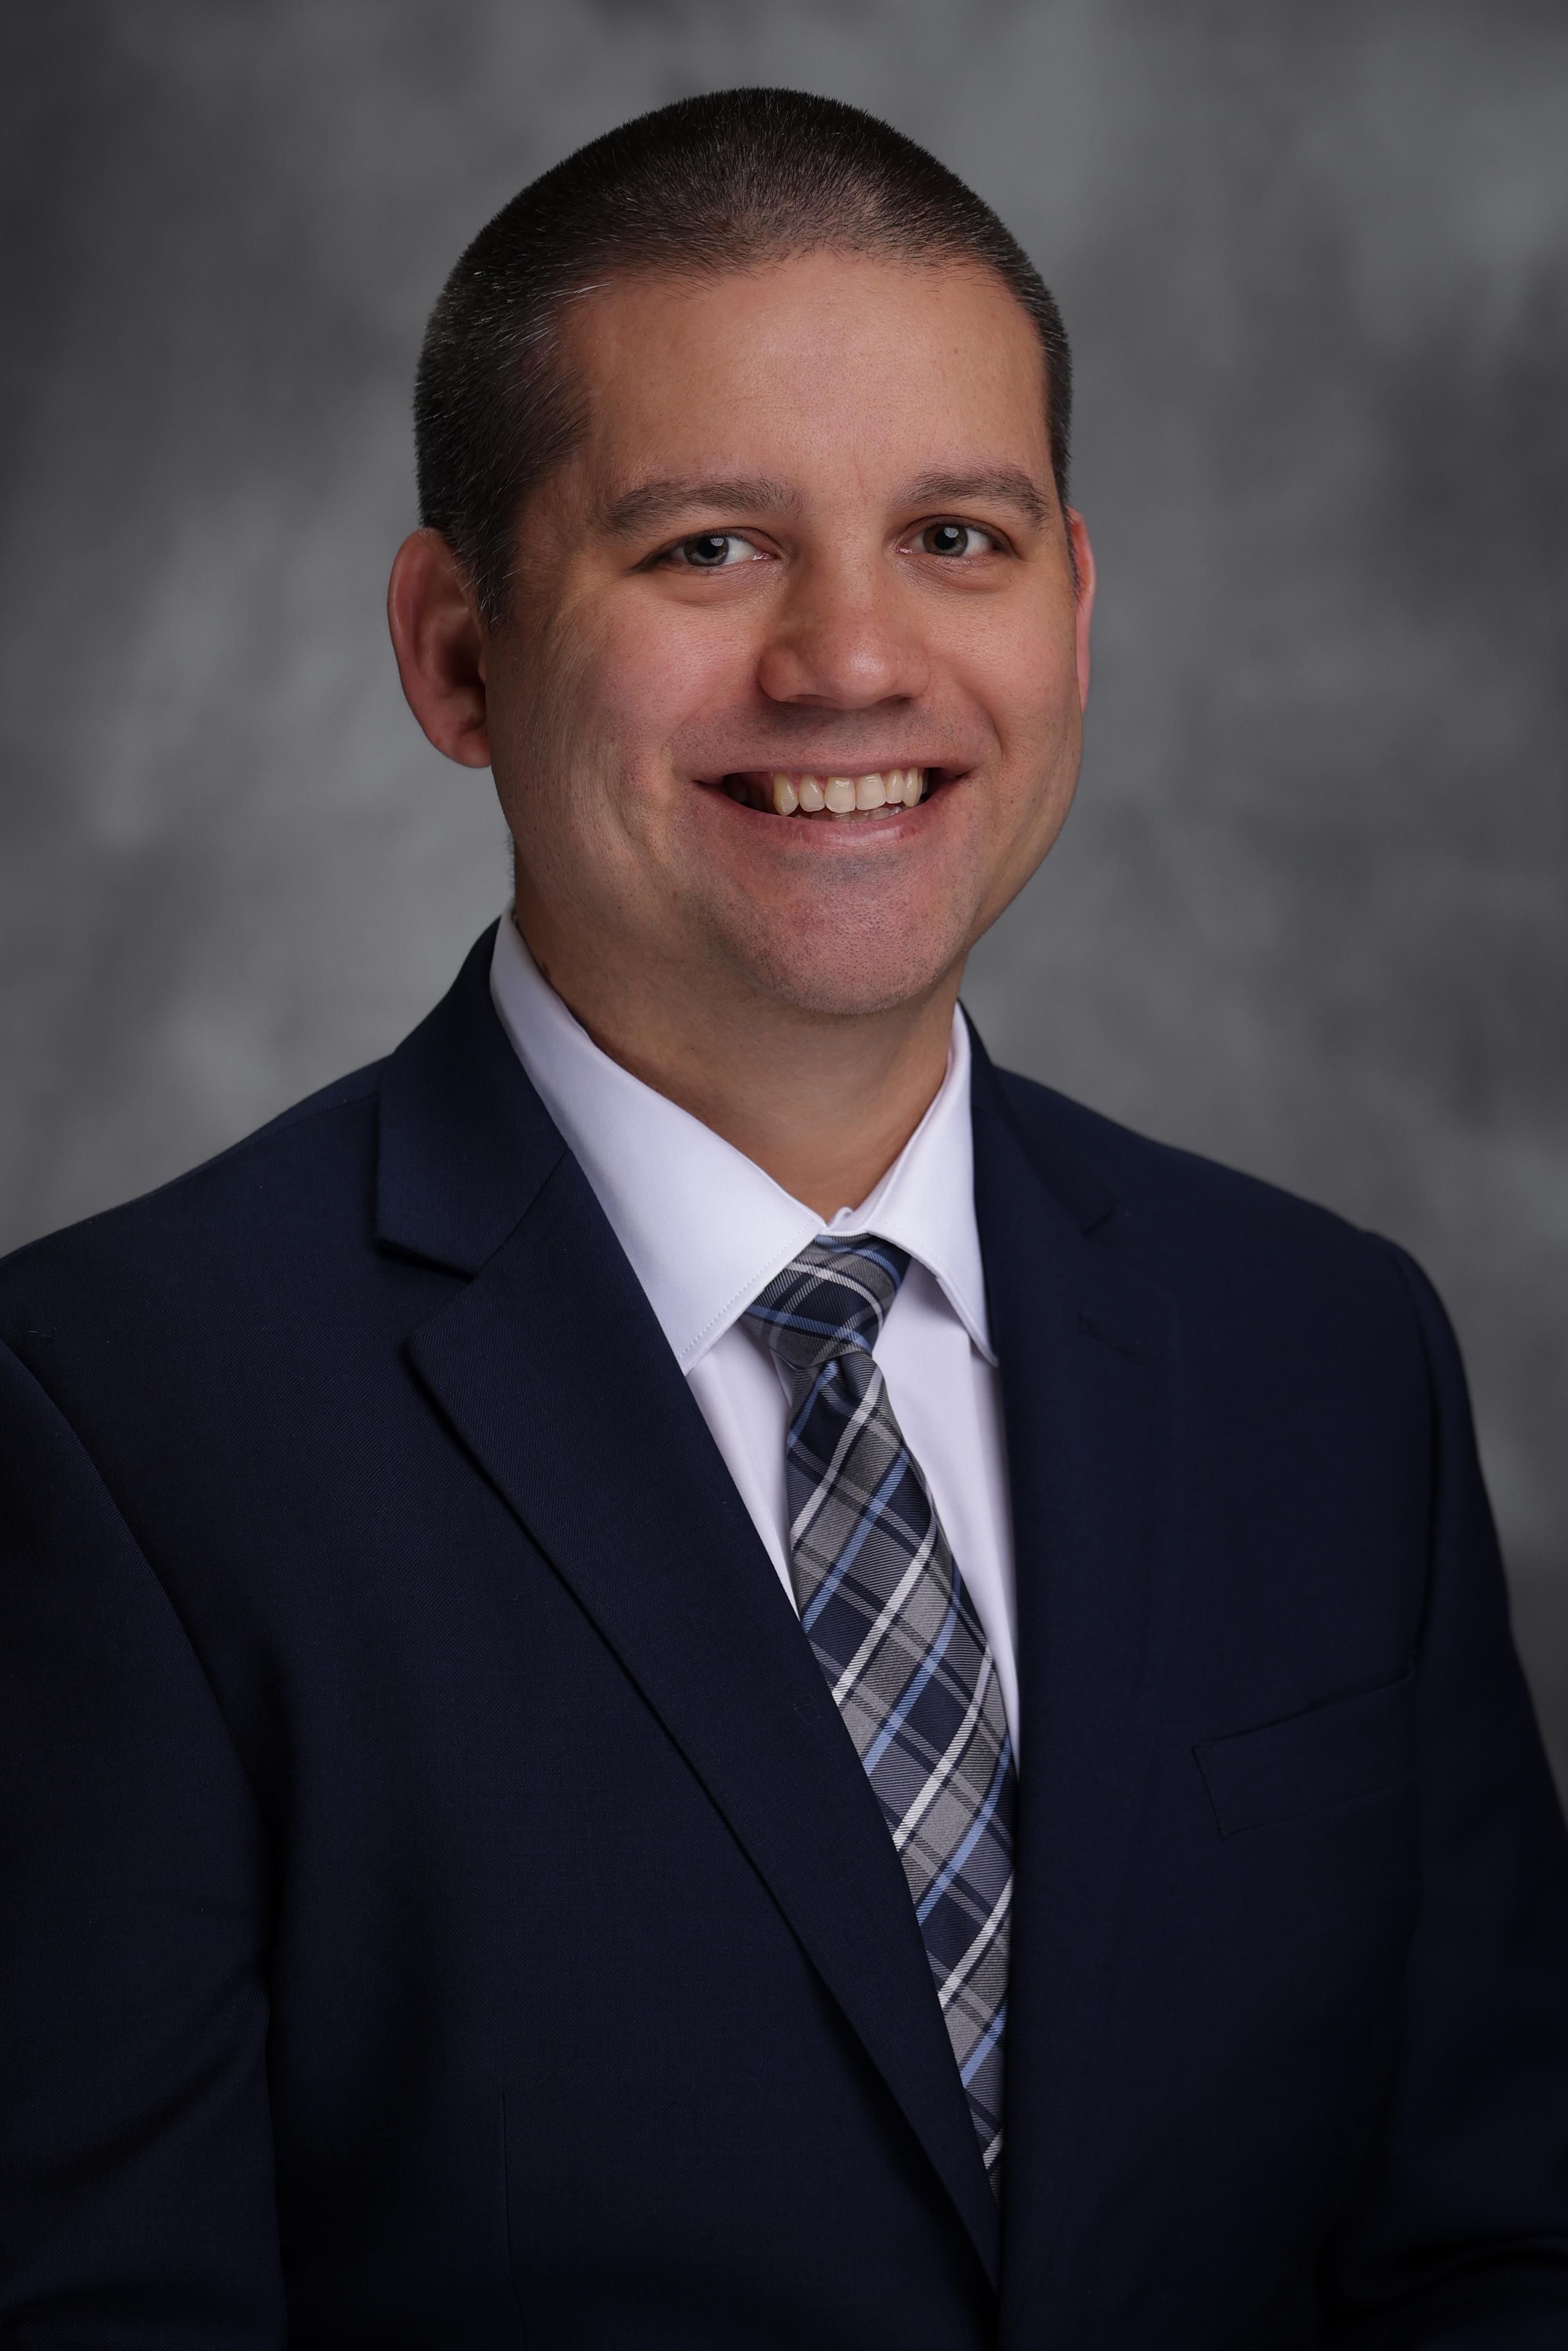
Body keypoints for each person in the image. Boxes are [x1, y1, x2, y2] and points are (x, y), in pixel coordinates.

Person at [2, 85, 1565, 2350]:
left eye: (954, 535)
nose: (851, 660)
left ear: (1074, 609)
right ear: (455, 653)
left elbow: (1496, 2244)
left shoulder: (1327, 1355)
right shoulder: (109, 1427)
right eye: (709, 547)